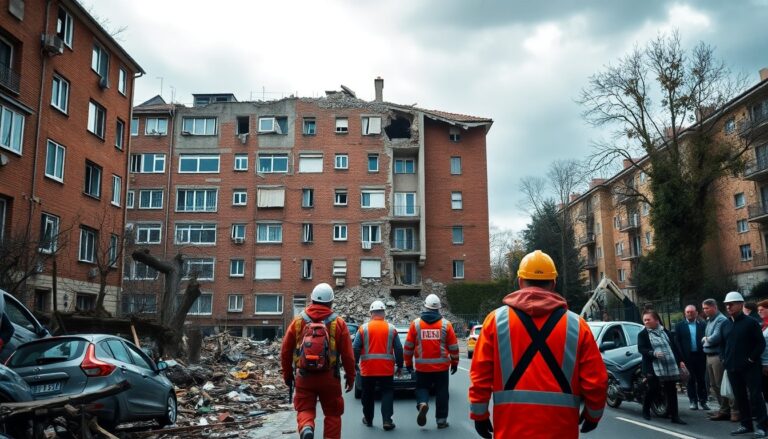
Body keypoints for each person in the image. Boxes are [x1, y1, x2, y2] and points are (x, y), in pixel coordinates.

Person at [468, 250, 607, 438]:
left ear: (519, 281)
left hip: (510, 430)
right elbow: (596, 382)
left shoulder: (495, 321)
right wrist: (593, 415)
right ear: (554, 283)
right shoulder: (577, 325)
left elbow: (480, 375)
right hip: (561, 430)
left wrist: (479, 415)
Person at [280, 283, 356, 439]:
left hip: (304, 376)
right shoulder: (338, 322)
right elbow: (348, 355)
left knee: (305, 409)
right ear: (331, 302)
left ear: (312, 300)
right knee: (333, 414)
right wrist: (351, 376)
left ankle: (307, 427)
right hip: (329, 377)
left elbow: (286, 351)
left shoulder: (298, 321)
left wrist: (287, 375)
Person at [403, 293, 459, 429]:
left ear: (425, 307)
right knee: (442, 392)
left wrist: (409, 364)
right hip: (441, 368)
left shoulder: (415, 324)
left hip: (422, 368)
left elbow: (408, 347)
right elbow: (454, 347)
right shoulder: (446, 325)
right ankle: (441, 420)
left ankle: (422, 403)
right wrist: (455, 363)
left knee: (422, 388)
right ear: (438, 308)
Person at [721, 291, 767, 437]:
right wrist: (724, 359)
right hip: (732, 368)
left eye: (731, 304)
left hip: (750, 368)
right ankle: (746, 424)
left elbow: (760, 344)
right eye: (727, 305)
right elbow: (722, 344)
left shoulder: (751, 323)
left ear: (741, 304)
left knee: (755, 397)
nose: (728, 307)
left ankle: (762, 427)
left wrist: (751, 360)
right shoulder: (725, 324)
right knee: (739, 397)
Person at [352, 300, 403, 431]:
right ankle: (387, 420)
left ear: (371, 313)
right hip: (386, 369)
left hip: (368, 369)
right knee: (387, 393)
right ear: (384, 313)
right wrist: (400, 365)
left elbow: (356, 347)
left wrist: (355, 363)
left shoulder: (363, 328)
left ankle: (368, 419)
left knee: (367, 394)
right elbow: (398, 348)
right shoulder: (391, 329)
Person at [638, 310, 687, 424]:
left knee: (671, 390)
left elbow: (673, 347)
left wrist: (680, 361)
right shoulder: (643, 334)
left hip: (668, 365)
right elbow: (641, 349)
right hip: (652, 366)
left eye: (648, 319)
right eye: (644, 320)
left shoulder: (665, 331)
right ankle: (646, 410)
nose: (646, 322)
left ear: (656, 320)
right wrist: (653, 353)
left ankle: (675, 416)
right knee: (653, 388)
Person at [702, 297, 739, 422]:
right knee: (714, 385)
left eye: (707, 308)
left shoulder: (721, 320)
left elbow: (715, 338)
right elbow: (708, 337)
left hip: (718, 356)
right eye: (703, 308)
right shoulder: (710, 321)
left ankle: (734, 410)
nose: (704, 310)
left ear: (714, 307)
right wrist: (707, 339)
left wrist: (706, 339)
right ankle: (723, 409)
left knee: (723, 384)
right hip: (709, 356)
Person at [673, 304, 709, 411]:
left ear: (696, 313)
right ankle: (693, 401)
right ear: (685, 313)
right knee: (690, 379)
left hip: (700, 356)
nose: (690, 314)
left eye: (692, 312)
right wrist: (680, 359)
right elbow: (677, 343)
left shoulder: (702, 325)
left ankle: (703, 401)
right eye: (688, 312)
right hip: (687, 357)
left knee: (702, 379)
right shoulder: (680, 326)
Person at [757, 300, 768, 403]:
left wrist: (766, 363)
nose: (759, 312)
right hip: (762, 362)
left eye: (762, 310)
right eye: (758, 310)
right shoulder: (763, 324)